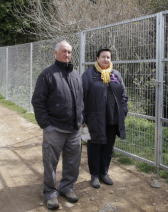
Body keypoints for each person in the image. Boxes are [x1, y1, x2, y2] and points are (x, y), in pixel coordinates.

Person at [31, 40, 84, 210]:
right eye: (63, 51)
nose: (67, 54)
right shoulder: (47, 74)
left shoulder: (76, 74)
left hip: (74, 129)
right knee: (50, 163)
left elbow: (81, 100)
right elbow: (38, 102)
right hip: (54, 129)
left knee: (72, 162)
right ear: (56, 53)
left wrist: (81, 120)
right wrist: (46, 125)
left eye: (69, 52)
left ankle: (66, 188)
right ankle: (51, 194)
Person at [81, 48, 128, 189]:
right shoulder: (89, 75)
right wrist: (83, 118)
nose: (106, 59)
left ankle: (104, 173)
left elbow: (124, 95)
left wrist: (123, 111)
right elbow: (81, 97)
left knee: (108, 148)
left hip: (113, 119)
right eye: (103, 57)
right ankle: (94, 175)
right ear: (97, 58)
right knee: (94, 147)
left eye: (108, 57)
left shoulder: (116, 75)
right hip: (94, 119)